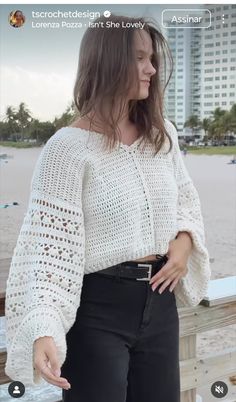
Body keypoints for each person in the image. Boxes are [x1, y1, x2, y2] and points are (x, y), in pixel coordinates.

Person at [5, 14, 211, 402]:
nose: (151, 69)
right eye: (139, 58)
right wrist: (44, 329)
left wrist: (184, 244)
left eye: (152, 58)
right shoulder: (66, 149)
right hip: (97, 312)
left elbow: (186, 202)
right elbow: (47, 254)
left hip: (160, 304)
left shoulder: (161, 134)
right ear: (108, 61)